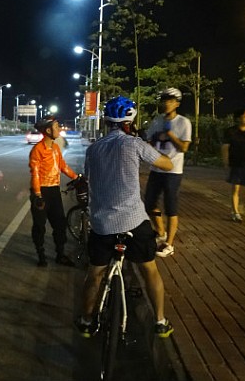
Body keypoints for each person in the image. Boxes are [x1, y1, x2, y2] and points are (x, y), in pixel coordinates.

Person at [76, 96, 175, 338]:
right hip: (134, 222)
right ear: (130, 122)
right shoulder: (134, 144)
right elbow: (167, 165)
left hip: (101, 224)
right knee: (149, 270)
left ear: (106, 122)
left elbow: (88, 178)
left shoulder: (93, 149)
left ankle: (86, 321)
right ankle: (160, 322)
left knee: (94, 274)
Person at [143, 87, 192, 258]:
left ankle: (169, 244)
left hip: (173, 171)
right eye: (164, 100)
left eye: (170, 101)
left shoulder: (183, 122)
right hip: (156, 168)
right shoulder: (156, 121)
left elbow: (184, 147)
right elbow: (149, 142)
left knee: (171, 207)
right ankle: (161, 232)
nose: (166, 104)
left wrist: (170, 134)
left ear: (177, 104)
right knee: (149, 204)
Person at [28, 115, 79, 267]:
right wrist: (38, 195)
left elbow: (62, 166)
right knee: (39, 226)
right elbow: (35, 173)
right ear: (48, 130)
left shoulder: (55, 148)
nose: (59, 129)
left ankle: (60, 255)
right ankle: (41, 254)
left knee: (60, 224)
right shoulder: (37, 150)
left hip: (54, 191)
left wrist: (77, 178)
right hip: (41, 192)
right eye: (56, 127)